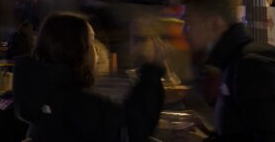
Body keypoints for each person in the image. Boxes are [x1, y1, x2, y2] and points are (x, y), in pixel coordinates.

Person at [176, 0, 275, 141]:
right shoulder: (234, 62)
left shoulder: (254, 68)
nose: (184, 33)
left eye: (188, 24)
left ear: (215, 24)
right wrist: (212, 134)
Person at [14, 12, 164, 141]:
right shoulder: (76, 107)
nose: (97, 50)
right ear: (76, 49)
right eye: (92, 41)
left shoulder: (40, 96)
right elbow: (130, 130)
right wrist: (152, 71)